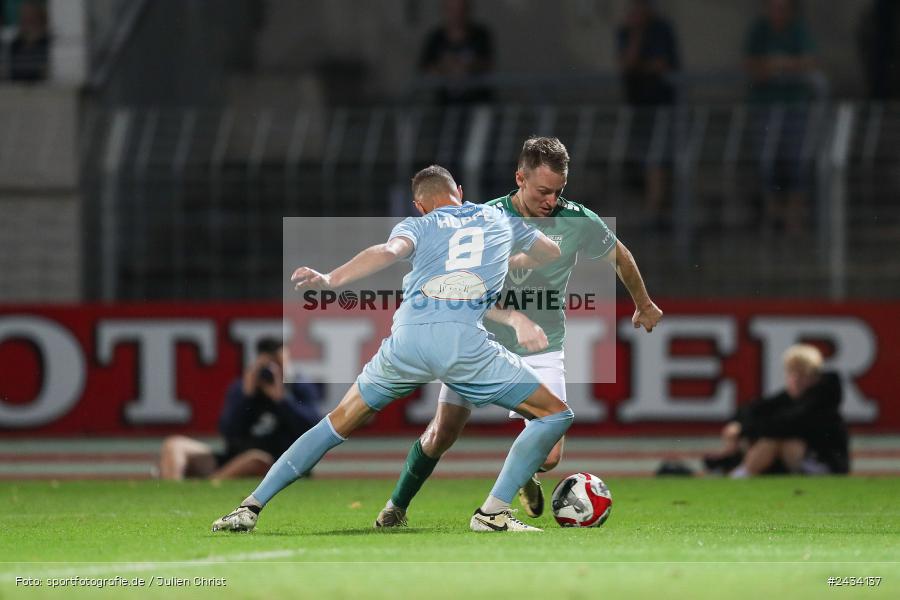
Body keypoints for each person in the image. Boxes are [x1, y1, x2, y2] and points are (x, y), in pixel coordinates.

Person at [213, 165, 570, 534]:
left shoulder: (417, 225)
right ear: (459, 192)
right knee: (553, 415)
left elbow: (387, 251)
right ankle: (492, 512)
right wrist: (510, 260)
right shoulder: (497, 219)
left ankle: (250, 506)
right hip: (463, 343)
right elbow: (549, 252)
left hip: (407, 342)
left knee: (336, 422)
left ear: (419, 205)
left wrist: (329, 279)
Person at [374, 137, 663, 528]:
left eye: (558, 191)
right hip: (477, 340)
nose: (551, 200)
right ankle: (395, 507)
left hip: (542, 345)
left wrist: (643, 304)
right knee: (442, 433)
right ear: (520, 179)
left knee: (551, 454)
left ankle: (518, 482)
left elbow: (621, 256)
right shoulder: (485, 218)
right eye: (543, 191)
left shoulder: (576, 220)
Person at [159, 338, 321, 480]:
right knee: (174, 445)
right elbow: (227, 431)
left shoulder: (299, 388)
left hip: (279, 463)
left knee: (256, 460)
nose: (273, 372)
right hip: (234, 459)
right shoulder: (243, 389)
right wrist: (246, 396)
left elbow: (312, 431)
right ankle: (173, 493)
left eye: (278, 365)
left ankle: (208, 488)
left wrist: (282, 400)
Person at [703, 343, 849, 477]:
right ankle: (741, 471)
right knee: (770, 440)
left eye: (802, 373)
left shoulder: (822, 400)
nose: (796, 379)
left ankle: (741, 473)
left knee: (779, 442)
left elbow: (786, 424)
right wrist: (738, 425)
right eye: (792, 373)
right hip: (799, 462)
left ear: (815, 376)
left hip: (827, 464)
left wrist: (744, 430)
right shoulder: (788, 398)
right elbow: (754, 409)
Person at [743, 0, 817, 233]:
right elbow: (750, 65)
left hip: (794, 108)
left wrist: (777, 65)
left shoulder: (799, 30)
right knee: (767, 165)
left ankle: (793, 219)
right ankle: (772, 217)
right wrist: (781, 66)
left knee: (796, 164)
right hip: (765, 109)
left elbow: (809, 62)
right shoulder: (759, 30)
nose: (777, 13)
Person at [616, 0, 680, 229]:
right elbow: (626, 64)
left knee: (658, 161)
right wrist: (636, 36)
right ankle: (652, 211)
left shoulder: (661, 30)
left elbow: (661, 65)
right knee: (644, 161)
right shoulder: (626, 31)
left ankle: (657, 213)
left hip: (660, 106)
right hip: (637, 106)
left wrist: (639, 68)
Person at [419, 0, 494, 105]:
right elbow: (425, 69)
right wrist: (446, 67)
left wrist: (467, 66)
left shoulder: (480, 35)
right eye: (452, 9)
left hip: (478, 104)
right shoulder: (435, 38)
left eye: (461, 9)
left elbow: (487, 64)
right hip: (444, 107)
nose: (457, 14)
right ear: (445, 10)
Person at [9, 0, 49, 82]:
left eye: (31, 17)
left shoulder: (47, 43)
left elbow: (44, 73)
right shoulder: (15, 43)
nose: (27, 19)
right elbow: (11, 72)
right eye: (24, 17)